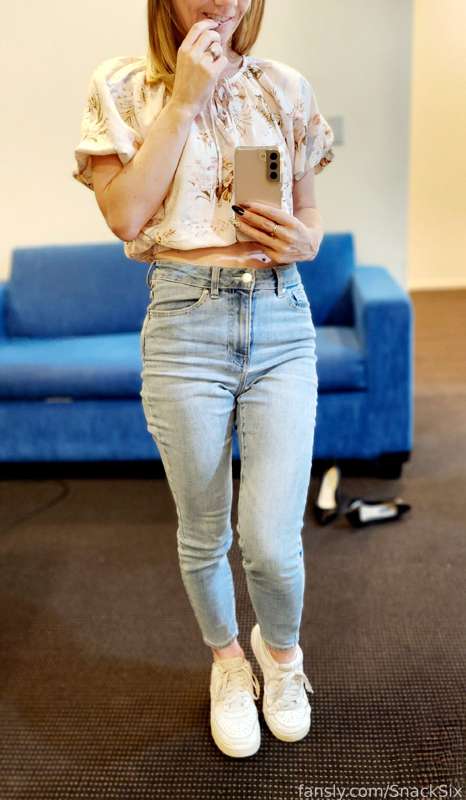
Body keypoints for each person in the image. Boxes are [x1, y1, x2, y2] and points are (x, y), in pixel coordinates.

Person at [73, 0, 334, 759]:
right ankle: (228, 663)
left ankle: (281, 658)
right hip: (184, 326)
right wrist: (186, 98)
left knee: (272, 542)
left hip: (281, 319)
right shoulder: (124, 87)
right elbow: (126, 216)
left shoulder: (283, 88)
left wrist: (304, 239)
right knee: (203, 529)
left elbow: (306, 215)